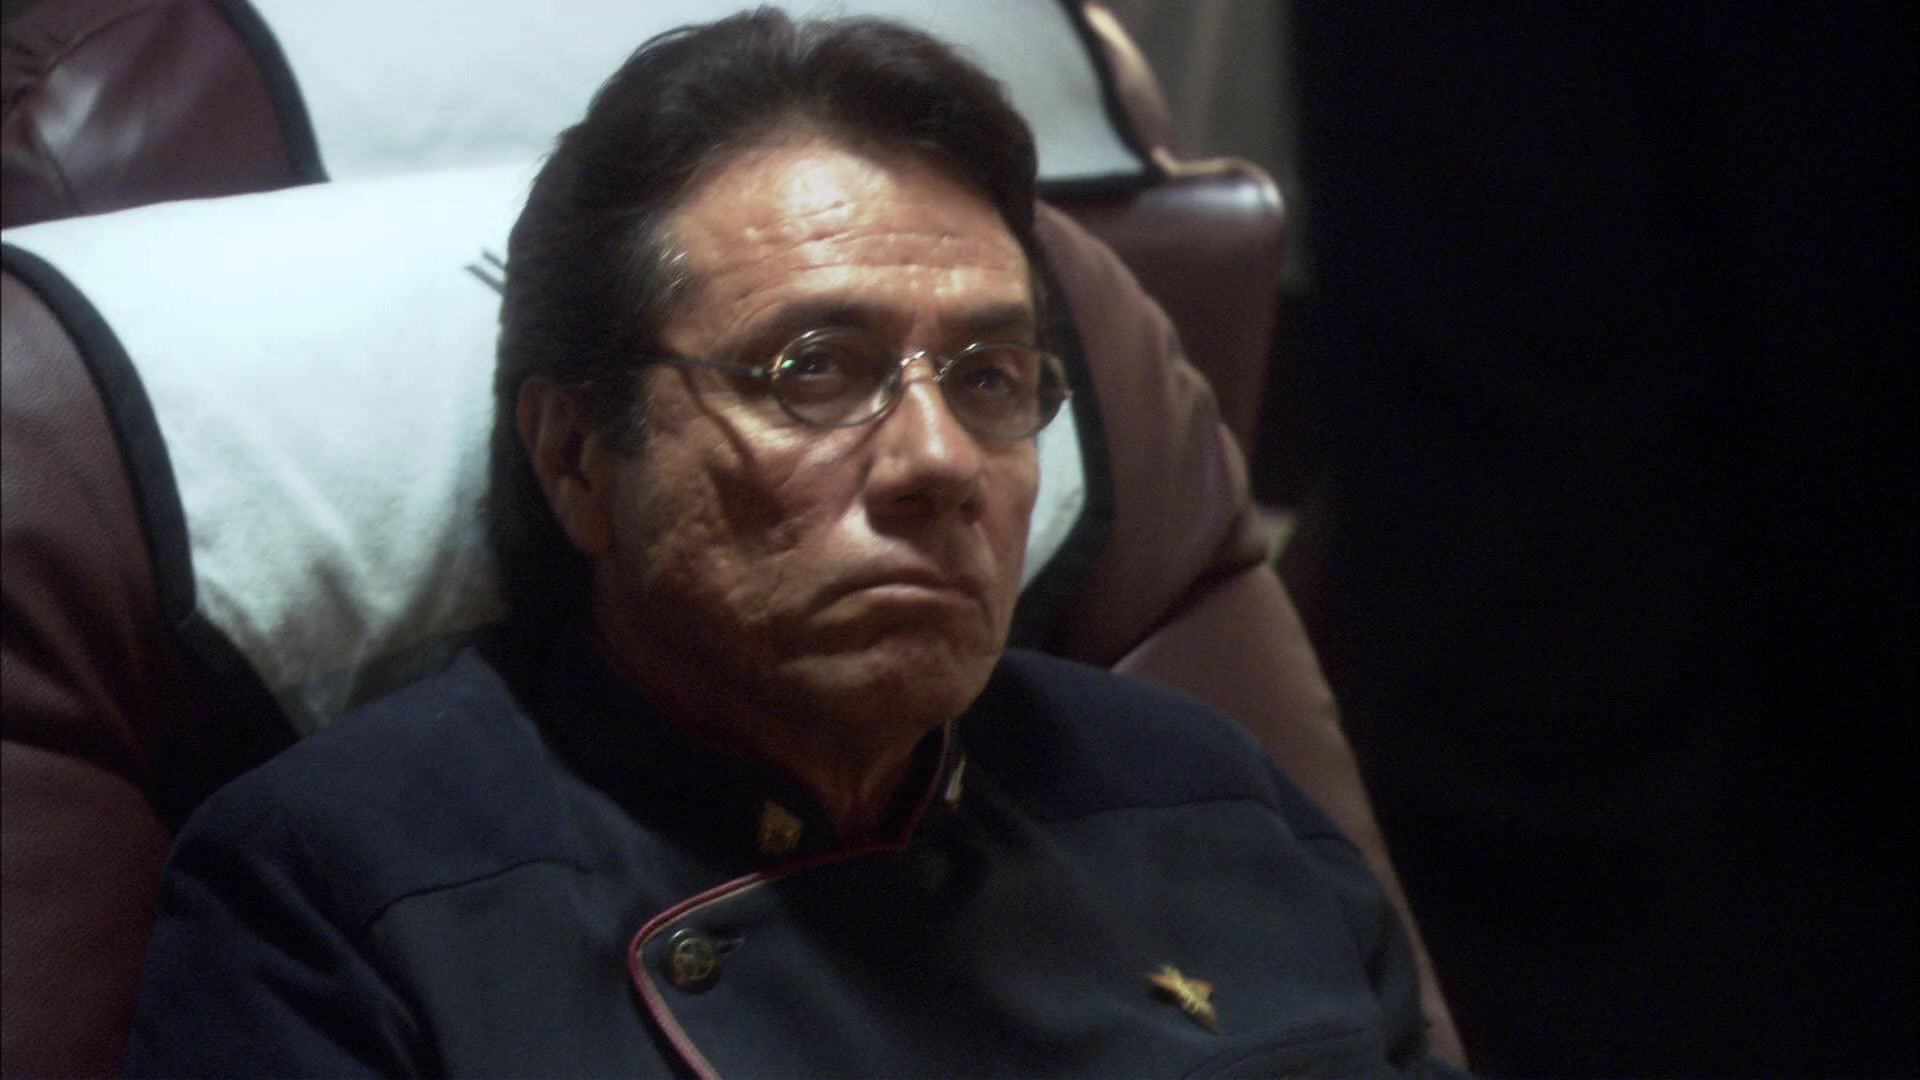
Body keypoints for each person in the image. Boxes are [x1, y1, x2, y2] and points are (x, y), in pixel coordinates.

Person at [124, 11, 1466, 1076]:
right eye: (815, 369)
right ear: (578, 457)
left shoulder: (1203, 793)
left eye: (991, 379)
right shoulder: (343, 894)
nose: (940, 462)